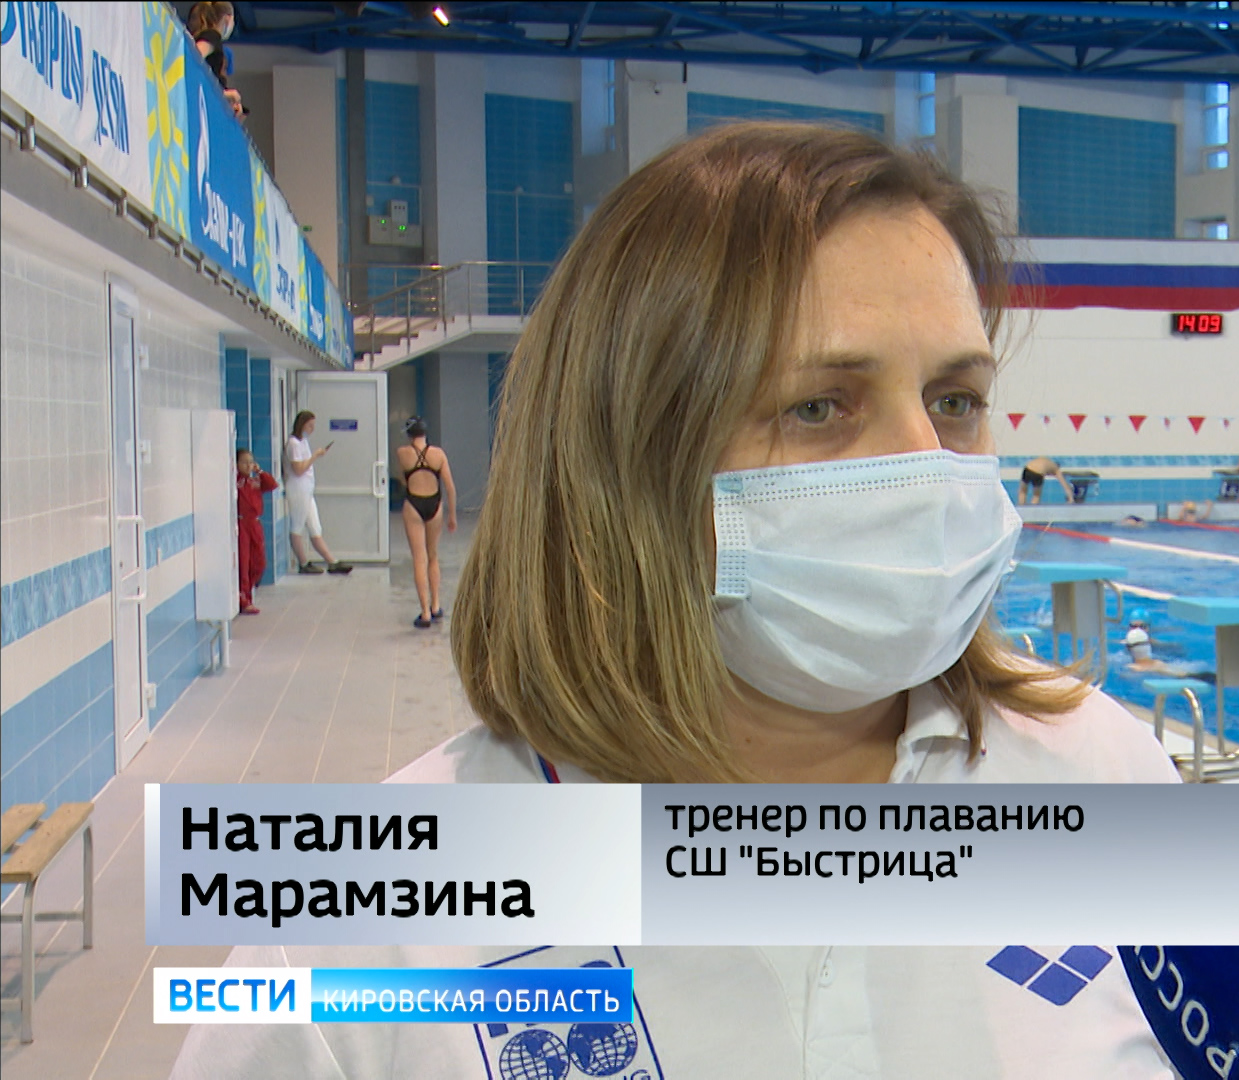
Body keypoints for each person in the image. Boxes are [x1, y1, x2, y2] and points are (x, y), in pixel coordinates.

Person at [171, 123, 1183, 1080]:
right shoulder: (366, 927)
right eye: (819, 406)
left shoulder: (1111, 781)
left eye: (954, 401)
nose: (926, 467)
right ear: (630, 456)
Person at [396, 416, 457, 628]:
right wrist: (452, 515)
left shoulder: (402, 453)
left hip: (413, 504)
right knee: (433, 556)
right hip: (435, 505)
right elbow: (450, 487)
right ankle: (436, 605)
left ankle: (424, 613)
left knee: (419, 559)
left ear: (409, 434)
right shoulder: (438, 454)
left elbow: (404, 480)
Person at [284, 410, 352, 575]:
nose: (312, 429)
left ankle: (332, 562)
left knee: (315, 527)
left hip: (307, 490)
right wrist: (315, 455)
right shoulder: (293, 443)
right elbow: (298, 469)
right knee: (297, 526)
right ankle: (303, 563)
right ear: (302, 425)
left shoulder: (303, 441)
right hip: (297, 490)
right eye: (310, 425)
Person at [234, 447, 276, 615]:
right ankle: (244, 599)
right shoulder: (236, 482)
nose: (248, 465)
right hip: (242, 523)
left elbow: (272, 484)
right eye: (244, 462)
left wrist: (260, 471)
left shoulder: (255, 482)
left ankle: (248, 590)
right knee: (244, 563)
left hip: (255, 524)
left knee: (259, 562)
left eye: (250, 462)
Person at [185, 1, 245, 120]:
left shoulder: (212, 40)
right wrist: (224, 94)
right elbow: (193, 58)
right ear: (228, 19)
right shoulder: (212, 36)